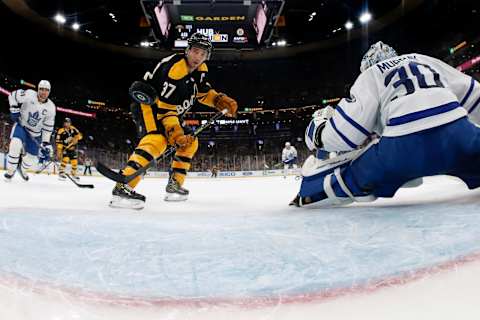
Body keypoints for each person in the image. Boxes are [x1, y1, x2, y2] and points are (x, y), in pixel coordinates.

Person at [291, 41, 480, 207]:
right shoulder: (424, 60)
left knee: (355, 172)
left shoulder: (371, 75)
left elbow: (345, 135)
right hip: (459, 136)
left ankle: (311, 192)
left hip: (402, 149)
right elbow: (475, 96)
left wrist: (318, 133)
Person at [109, 32, 238, 209]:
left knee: (190, 143)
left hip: (171, 112)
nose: (197, 57)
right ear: (188, 50)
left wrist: (218, 100)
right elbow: (166, 111)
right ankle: (123, 186)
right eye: (195, 51)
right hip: (150, 106)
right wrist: (175, 134)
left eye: (202, 54)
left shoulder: (200, 70)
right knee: (157, 140)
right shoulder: (175, 71)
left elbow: (203, 93)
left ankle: (174, 185)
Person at [4, 80, 55, 182]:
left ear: (49, 92)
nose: (43, 92)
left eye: (46, 90)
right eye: (41, 89)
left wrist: (45, 142)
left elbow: (48, 127)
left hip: (35, 134)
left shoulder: (51, 107)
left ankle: (22, 169)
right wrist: (13, 108)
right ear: (38, 89)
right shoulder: (28, 94)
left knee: (31, 159)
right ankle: (10, 171)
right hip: (21, 126)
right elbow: (12, 96)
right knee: (15, 144)